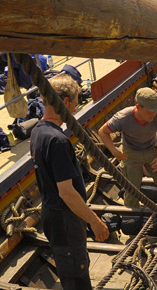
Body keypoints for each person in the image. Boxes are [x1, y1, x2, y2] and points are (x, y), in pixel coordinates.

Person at [30, 74, 109, 290]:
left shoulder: (37, 132)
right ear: (65, 102)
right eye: (74, 103)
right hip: (65, 219)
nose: (74, 108)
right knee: (77, 273)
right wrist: (95, 221)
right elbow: (66, 192)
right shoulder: (58, 140)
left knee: (68, 270)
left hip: (51, 214)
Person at [98, 87, 157, 208]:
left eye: (155, 110)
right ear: (138, 107)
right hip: (131, 154)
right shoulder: (123, 118)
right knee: (131, 189)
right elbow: (102, 132)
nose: (153, 114)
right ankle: (133, 215)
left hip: (153, 150)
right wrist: (114, 151)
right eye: (150, 111)